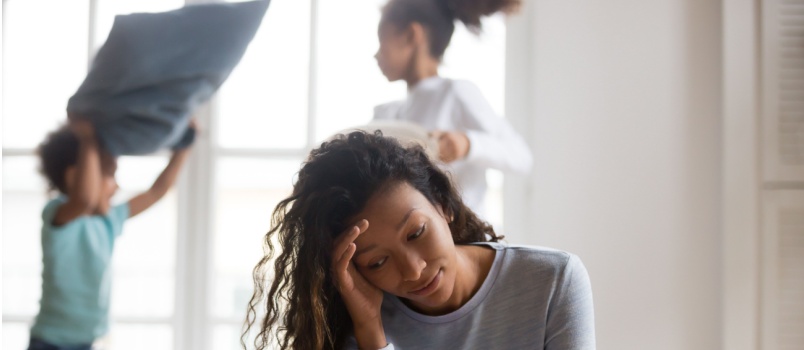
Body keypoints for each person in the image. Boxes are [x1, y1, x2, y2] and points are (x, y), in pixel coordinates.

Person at [243, 131, 595, 350]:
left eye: (416, 233)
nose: (413, 271)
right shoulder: (356, 320)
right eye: (377, 262)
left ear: (444, 206)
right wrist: (369, 328)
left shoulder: (553, 281)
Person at [28, 117, 194, 350]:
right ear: (74, 177)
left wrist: (183, 148)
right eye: (109, 175)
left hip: (86, 340)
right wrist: (88, 140)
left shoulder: (109, 219)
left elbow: (156, 192)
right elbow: (84, 200)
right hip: (50, 342)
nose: (116, 186)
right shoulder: (58, 213)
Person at [372, 0, 533, 216]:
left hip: (466, 238)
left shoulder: (455, 93)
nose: (376, 55)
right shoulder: (388, 114)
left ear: (412, 35)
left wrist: (467, 144)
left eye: (382, 41)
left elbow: (520, 156)